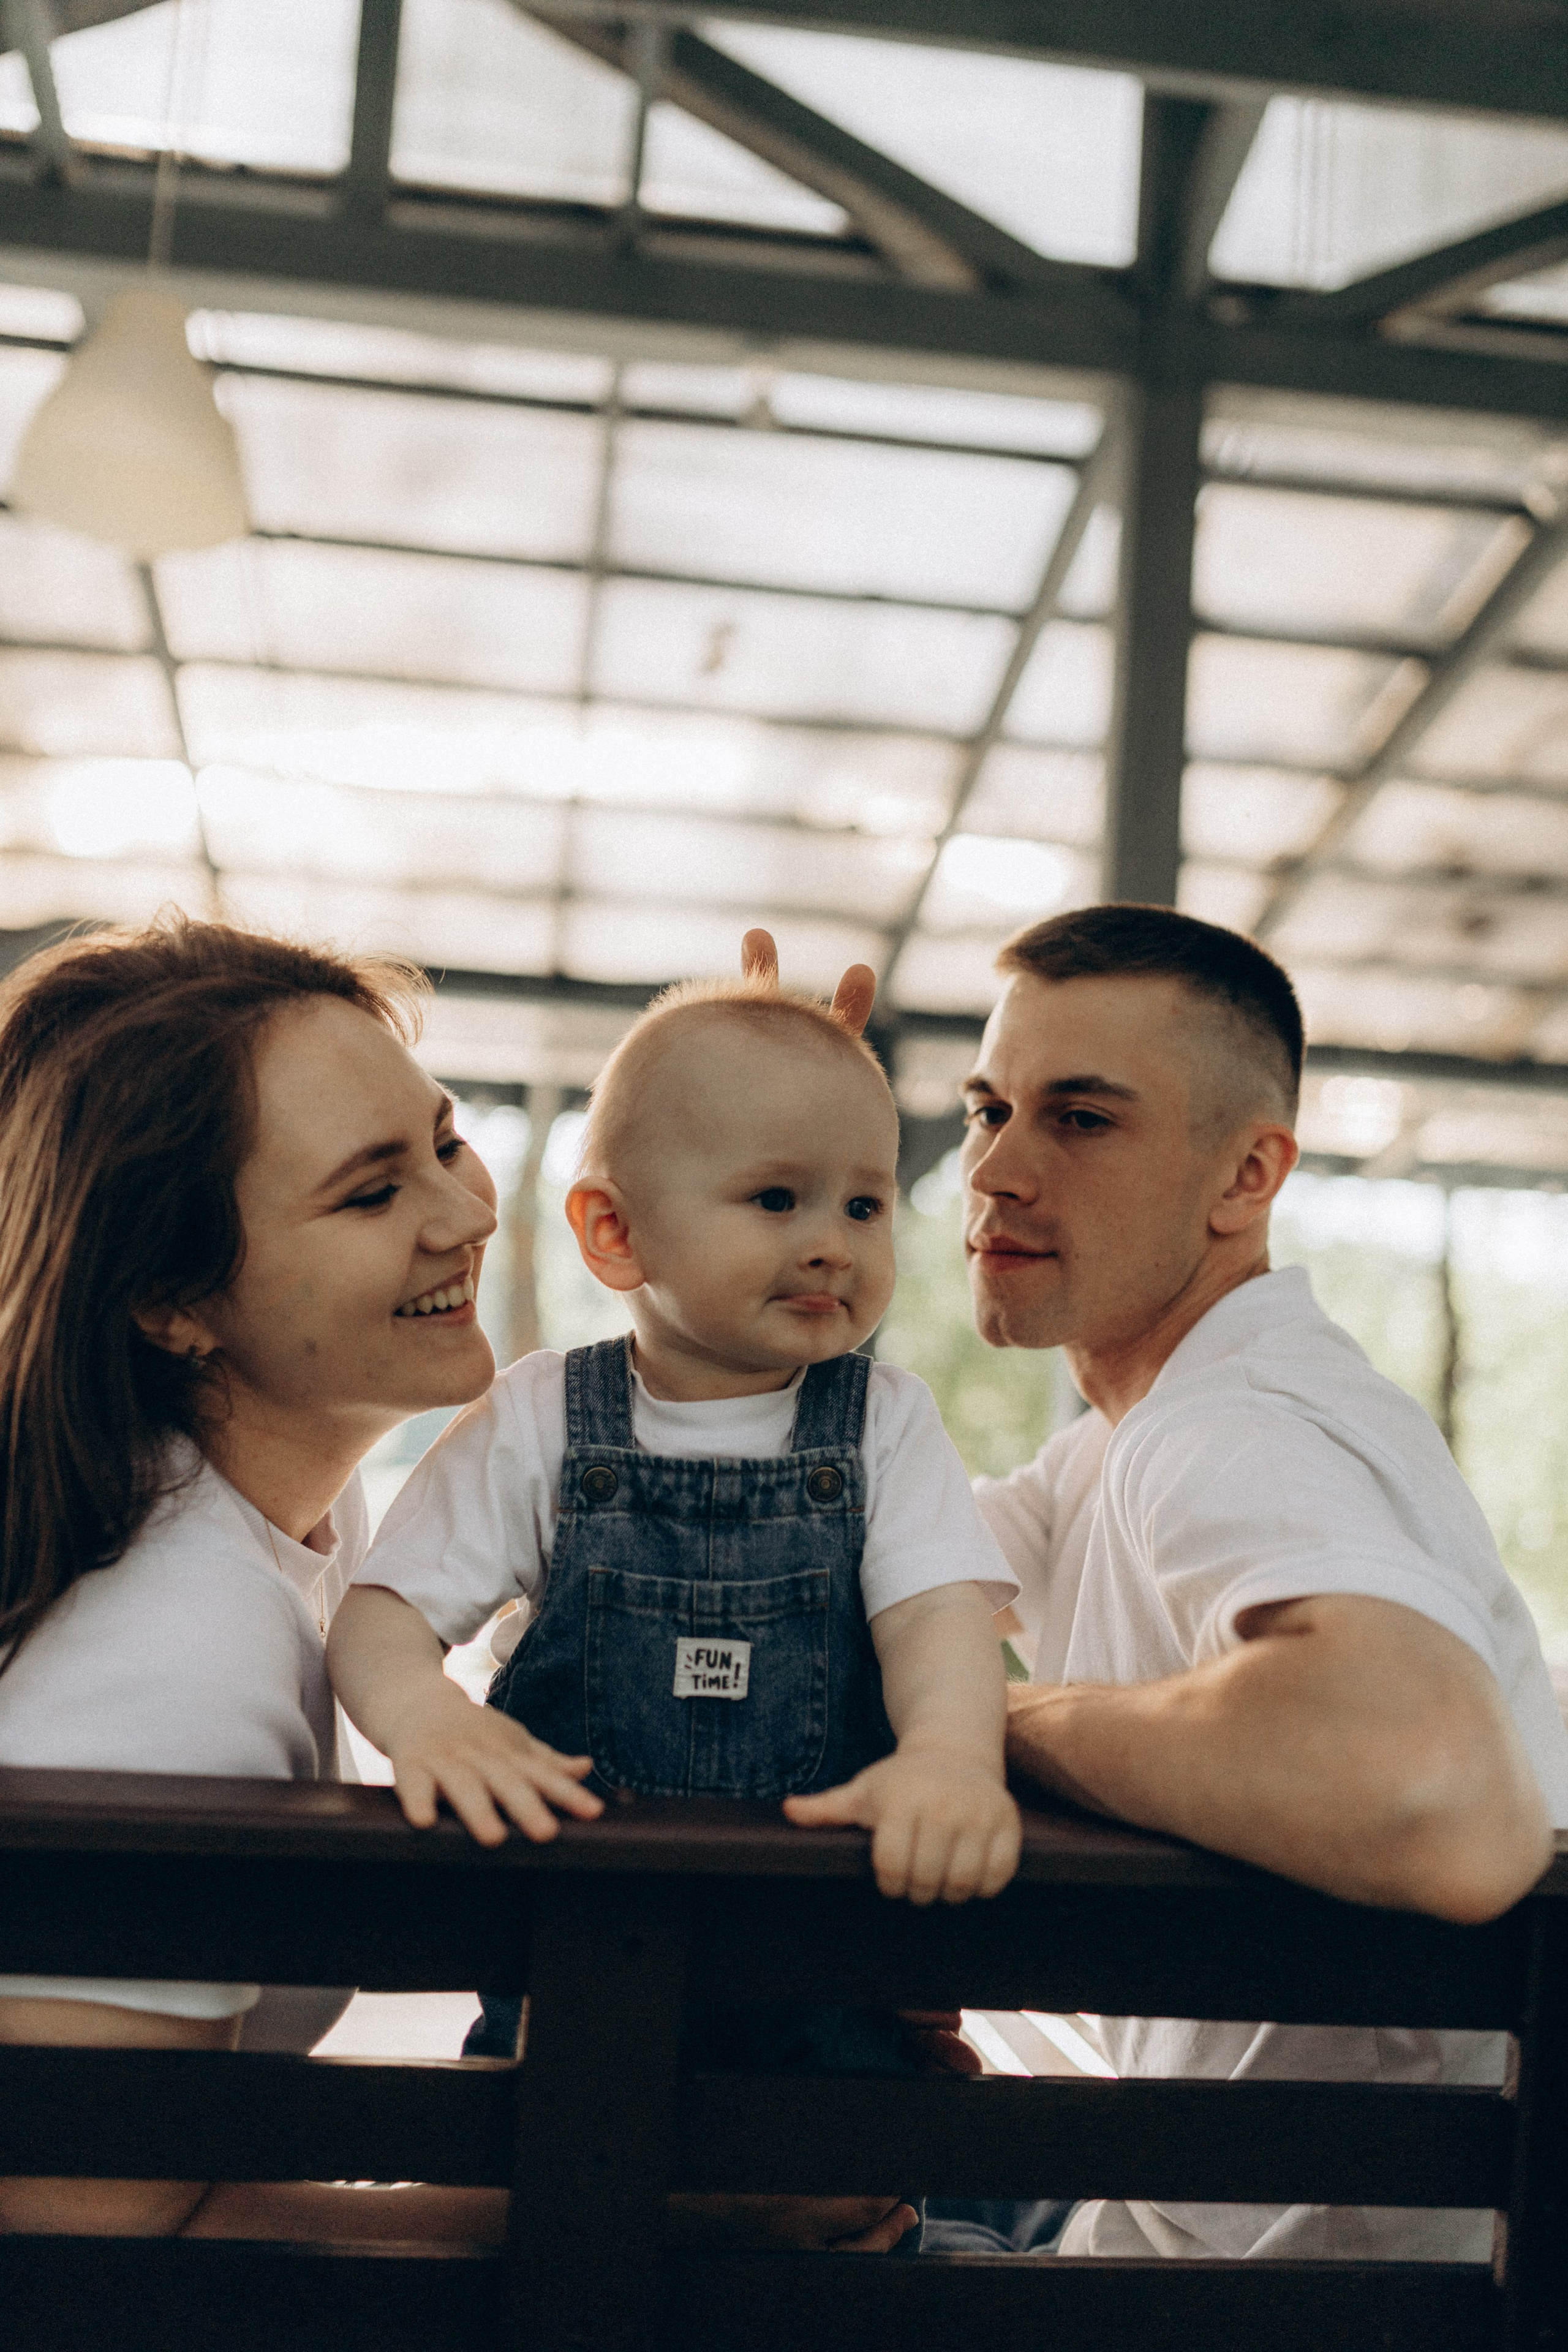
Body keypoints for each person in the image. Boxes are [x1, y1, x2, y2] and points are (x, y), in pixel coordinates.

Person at [327, 951, 1023, 2250]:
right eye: (775, 1197)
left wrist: (944, 1755)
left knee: (852, 2253)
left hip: (830, 2023)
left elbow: (934, 1618)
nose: (831, 1241)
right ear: (614, 1233)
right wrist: (424, 1717)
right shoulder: (543, 1417)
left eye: (866, 1205)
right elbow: (377, 1616)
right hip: (563, 2000)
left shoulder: (883, 1423)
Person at [931, 901, 1568, 2264]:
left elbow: (1430, 1783)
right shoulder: (1120, 1443)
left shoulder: (1231, 1428)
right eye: (985, 1108)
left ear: (1244, 1177)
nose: (992, 1169)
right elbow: (840, 1582)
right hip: (1203, 2203)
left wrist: (995, 1721)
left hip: (1287, 2292)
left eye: (1080, 1120)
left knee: (685, 2217)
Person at [0, 916, 510, 2242]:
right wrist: (625, 2216)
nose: (463, 1215)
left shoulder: (278, 1510)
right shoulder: (173, 1648)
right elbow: (82, 2229)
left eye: (445, 1141)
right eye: (371, 1191)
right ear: (173, 1299)